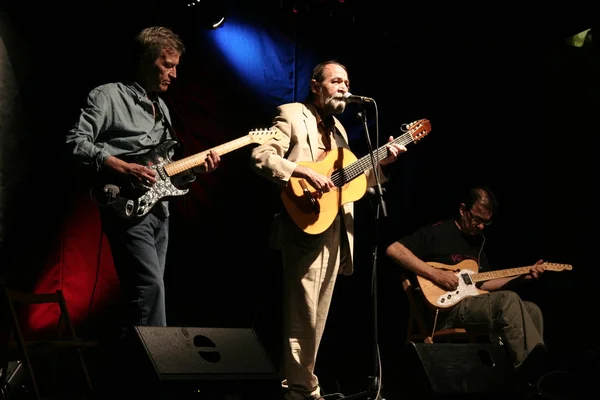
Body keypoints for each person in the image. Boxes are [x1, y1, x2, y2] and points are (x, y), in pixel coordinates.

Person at [250, 60, 407, 400]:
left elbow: (351, 185)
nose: (343, 87)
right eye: (335, 81)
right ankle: (300, 390)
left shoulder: (340, 130)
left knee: (317, 317)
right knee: (302, 314)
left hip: (335, 228)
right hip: (302, 223)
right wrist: (300, 172)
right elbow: (261, 156)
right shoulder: (291, 114)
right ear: (315, 85)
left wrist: (381, 165)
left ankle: (300, 384)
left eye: (347, 82)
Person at [65, 26, 221, 331]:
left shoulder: (162, 108)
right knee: (149, 289)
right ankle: (157, 371)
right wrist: (122, 167)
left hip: (159, 211)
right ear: (144, 60)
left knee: (145, 295)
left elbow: (164, 168)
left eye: (176, 66)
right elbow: (76, 141)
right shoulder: (109, 95)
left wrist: (194, 170)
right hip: (128, 207)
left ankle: (139, 367)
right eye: (167, 65)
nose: (174, 75)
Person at [385, 186, 548, 381]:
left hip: (471, 304)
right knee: (509, 301)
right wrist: (435, 274)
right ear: (463, 209)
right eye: (477, 219)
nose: (480, 227)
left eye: (485, 223)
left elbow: (484, 284)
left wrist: (522, 278)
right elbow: (394, 249)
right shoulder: (438, 232)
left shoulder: (477, 243)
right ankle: (528, 373)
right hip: (445, 310)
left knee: (531, 309)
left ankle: (533, 374)